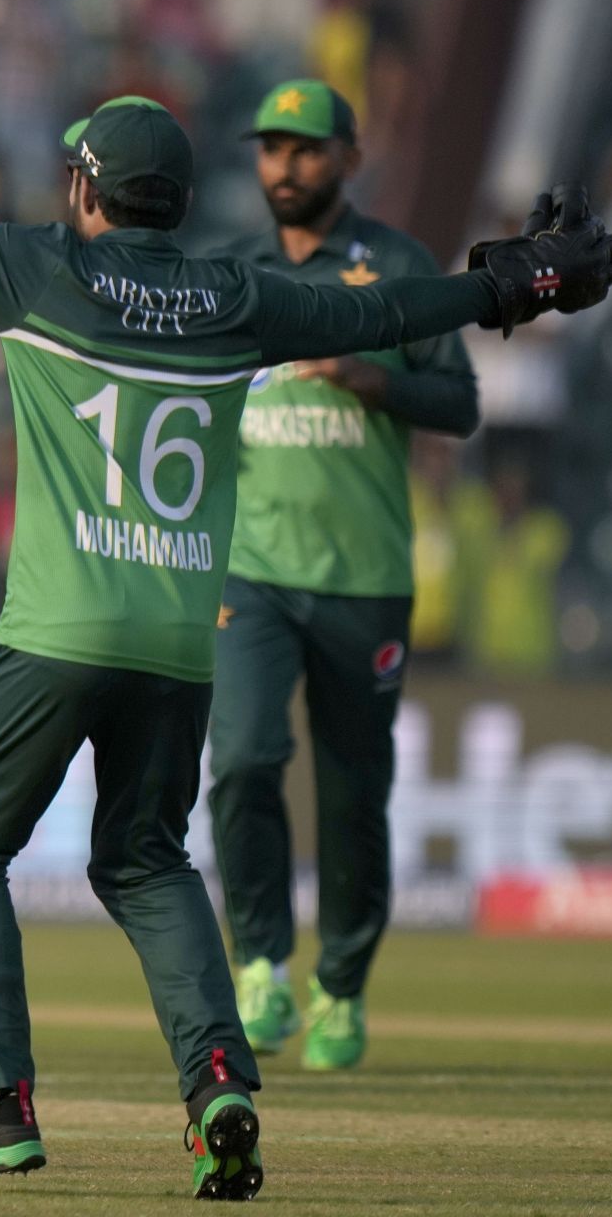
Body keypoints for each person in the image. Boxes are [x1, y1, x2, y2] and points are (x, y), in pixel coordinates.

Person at [0, 43, 612, 1199]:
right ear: (181, 204)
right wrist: (523, 280)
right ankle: (218, 1083)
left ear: (86, 190)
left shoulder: (39, 270)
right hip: (182, 642)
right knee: (145, 859)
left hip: (55, 629)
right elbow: (391, 307)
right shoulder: (239, 300)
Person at [205, 80, 479, 1073]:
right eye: (271, 149)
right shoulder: (229, 270)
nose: (285, 167)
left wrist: (375, 378)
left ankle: (342, 987)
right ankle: (261, 965)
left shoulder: (396, 267)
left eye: (307, 150)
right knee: (240, 759)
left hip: (364, 574)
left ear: (349, 159)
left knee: (357, 793)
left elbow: (459, 404)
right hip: (250, 568)